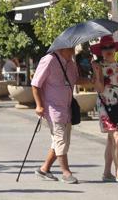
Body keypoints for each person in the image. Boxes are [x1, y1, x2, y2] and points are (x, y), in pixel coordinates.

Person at [31, 47, 89, 184]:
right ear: (62, 47)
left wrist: (93, 79)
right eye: (71, 48)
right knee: (60, 139)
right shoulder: (49, 60)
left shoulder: (71, 62)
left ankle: (44, 169)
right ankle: (66, 173)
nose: (73, 51)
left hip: (67, 108)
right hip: (53, 108)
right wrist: (39, 105)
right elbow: (35, 84)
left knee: (60, 141)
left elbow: (76, 80)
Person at [91, 35, 118, 182]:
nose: (108, 50)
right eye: (104, 48)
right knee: (116, 138)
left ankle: (107, 172)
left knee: (111, 139)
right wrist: (96, 73)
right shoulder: (98, 67)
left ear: (115, 48)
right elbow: (100, 89)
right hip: (105, 106)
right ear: (100, 51)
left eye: (110, 47)